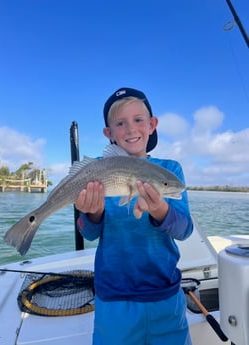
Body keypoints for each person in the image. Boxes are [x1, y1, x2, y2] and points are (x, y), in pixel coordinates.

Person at [75, 87, 193, 345]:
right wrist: (93, 212)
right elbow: (89, 233)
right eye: (120, 123)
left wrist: (159, 208)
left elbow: (184, 230)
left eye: (138, 120)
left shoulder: (169, 170)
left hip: (165, 295)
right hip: (114, 297)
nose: (130, 129)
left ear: (152, 124)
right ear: (109, 133)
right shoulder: (97, 170)